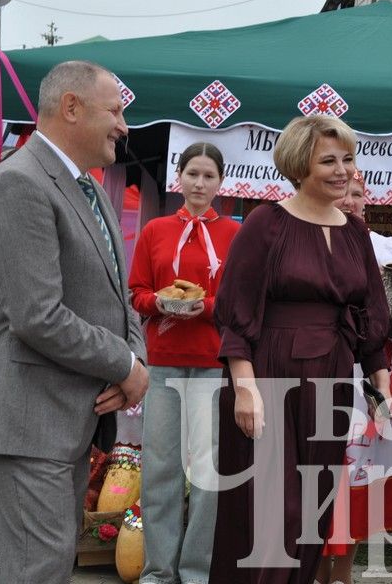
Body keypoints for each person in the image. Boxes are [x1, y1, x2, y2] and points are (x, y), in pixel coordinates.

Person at [0, 60, 148, 584]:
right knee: (38, 570)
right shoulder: (18, 185)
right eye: (115, 110)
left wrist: (134, 362)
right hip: (28, 418)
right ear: (71, 107)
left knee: (48, 565)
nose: (124, 125)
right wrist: (124, 364)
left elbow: (119, 295)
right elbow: (37, 315)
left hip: (62, 417)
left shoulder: (90, 191)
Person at [209, 115, 390, 584]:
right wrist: (244, 389)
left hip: (331, 377)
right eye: (327, 160)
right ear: (298, 165)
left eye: (347, 159)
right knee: (271, 510)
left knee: (312, 508)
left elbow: (371, 315)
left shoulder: (355, 231)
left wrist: (382, 391)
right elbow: (236, 313)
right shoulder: (265, 224)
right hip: (271, 375)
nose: (342, 170)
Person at [129, 142, 240, 584]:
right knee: (160, 468)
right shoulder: (155, 230)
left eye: (208, 175)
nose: (199, 183)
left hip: (212, 364)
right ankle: (159, 570)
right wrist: (158, 302)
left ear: (220, 183)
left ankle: (196, 571)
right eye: (192, 173)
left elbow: (238, 301)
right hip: (163, 362)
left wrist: (206, 307)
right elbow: (136, 292)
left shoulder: (234, 233)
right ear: (179, 176)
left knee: (209, 472)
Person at [316, 169, 392, 584]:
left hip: (366, 378)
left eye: (356, 194)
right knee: (314, 477)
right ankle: (311, 571)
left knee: (355, 478)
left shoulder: (388, 249)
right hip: (314, 374)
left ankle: (344, 575)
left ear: (367, 199)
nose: (349, 201)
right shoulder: (308, 243)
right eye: (342, 193)